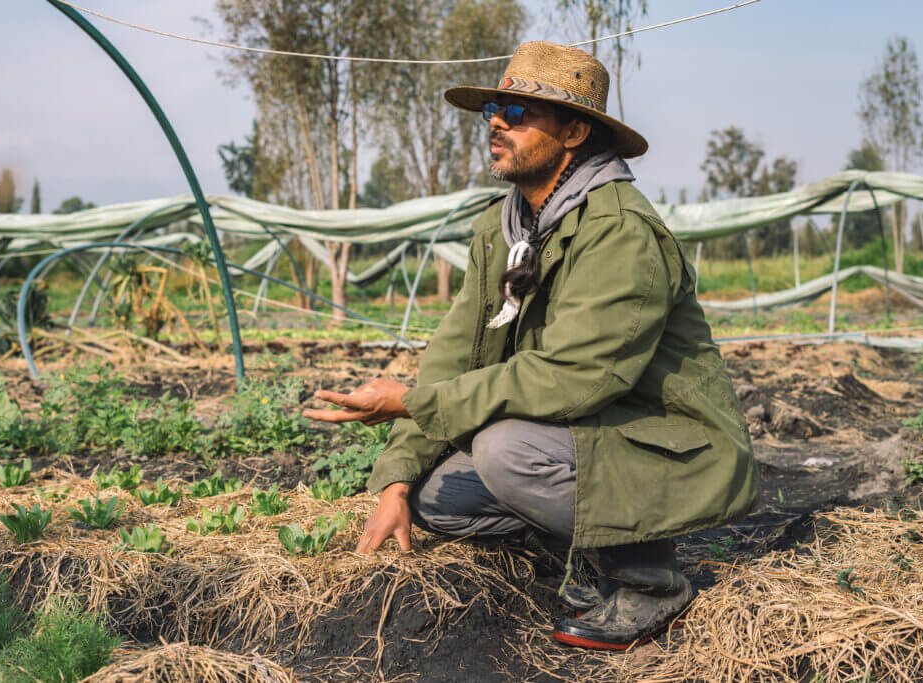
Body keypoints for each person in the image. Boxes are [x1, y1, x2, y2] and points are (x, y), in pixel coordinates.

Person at [304, 41, 758, 650]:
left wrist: (414, 402)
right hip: (582, 433)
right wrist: (396, 481)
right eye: (494, 107)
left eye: (518, 113)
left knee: (503, 451)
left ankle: (649, 579)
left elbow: (579, 378)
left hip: (665, 441)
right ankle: (583, 546)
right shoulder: (505, 227)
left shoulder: (618, 229)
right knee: (439, 497)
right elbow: (455, 356)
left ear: (573, 132)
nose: (496, 121)